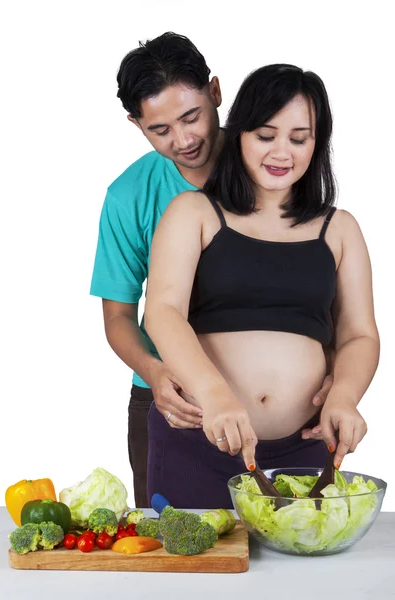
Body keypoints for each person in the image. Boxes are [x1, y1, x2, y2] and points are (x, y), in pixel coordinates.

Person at [90, 33, 332, 507]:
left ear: (216, 93)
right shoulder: (129, 196)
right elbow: (119, 317)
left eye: (191, 116)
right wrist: (156, 373)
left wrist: (336, 375)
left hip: (292, 426)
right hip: (175, 403)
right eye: (159, 130)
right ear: (135, 124)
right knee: (179, 553)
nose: (184, 140)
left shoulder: (272, 162)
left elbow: (318, 289)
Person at [144, 64, 380, 509]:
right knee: (195, 573)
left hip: (303, 450)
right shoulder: (193, 212)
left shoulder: (340, 229)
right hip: (201, 438)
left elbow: (360, 334)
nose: (281, 151)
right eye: (265, 135)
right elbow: (162, 313)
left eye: (299, 137)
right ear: (239, 135)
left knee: (302, 575)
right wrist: (215, 395)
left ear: (317, 143)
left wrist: (345, 397)